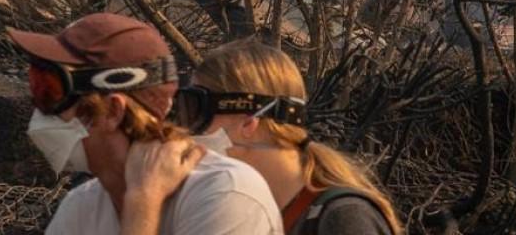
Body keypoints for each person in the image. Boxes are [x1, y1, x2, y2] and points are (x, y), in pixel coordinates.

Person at [7, 12, 283, 235]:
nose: (40, 110)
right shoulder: (81, 207)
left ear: (113, 111)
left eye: (51, 92)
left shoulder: (225, 194)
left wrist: (142, 205)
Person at [135, 39, 402, 235]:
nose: (187, 130)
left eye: (195, 110)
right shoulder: (245, 213)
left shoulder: (342, 219)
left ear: (248, 122)